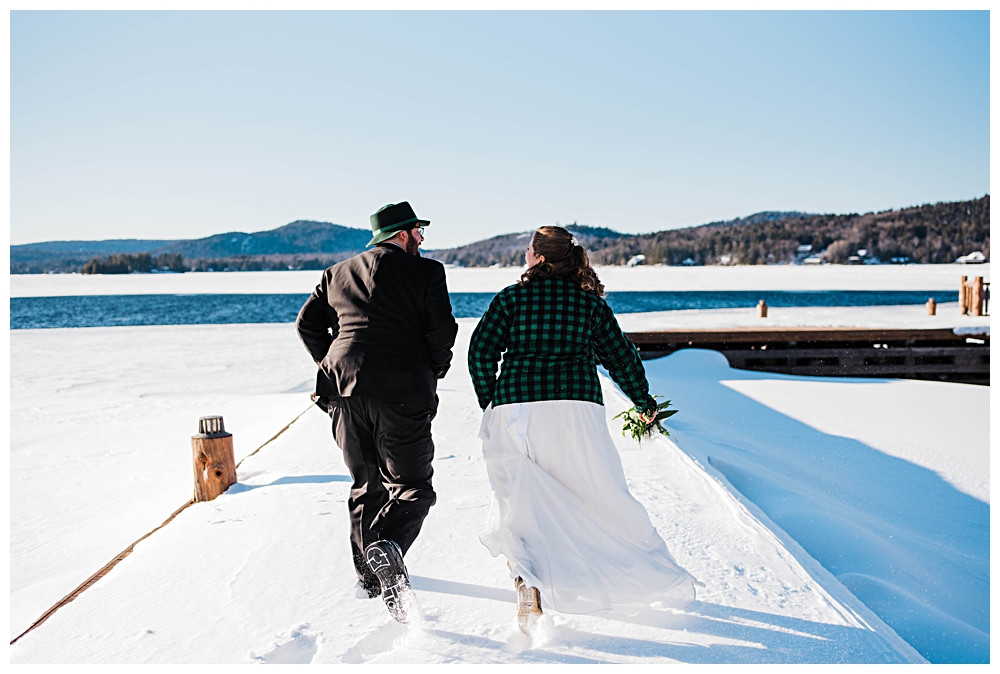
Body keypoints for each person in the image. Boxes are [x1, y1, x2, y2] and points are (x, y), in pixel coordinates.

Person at [468, 226, 696, 633]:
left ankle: (526, 579)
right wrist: (643, 403)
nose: (524, 254)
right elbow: (621, 357)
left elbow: (481, 352)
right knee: (593, 494)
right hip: (576, 409)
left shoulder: (511, 298)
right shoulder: (589, 303)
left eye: (528, 249)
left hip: (516, 409)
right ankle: (626, 570)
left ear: (538, 257)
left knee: (517, 496)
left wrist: (491, 402)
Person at [296, 201, 458, 623]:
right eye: (418, 232)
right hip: (402, 389)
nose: (422, 239)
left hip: (343, 390)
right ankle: (386, 550)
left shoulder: (337, 272)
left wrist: (332, 359)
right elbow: (442, 331)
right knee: (413, 487)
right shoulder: (427, 272)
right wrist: (433, 369)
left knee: (365, 482)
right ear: (402, 234)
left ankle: (369, 578)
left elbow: (306, 325)